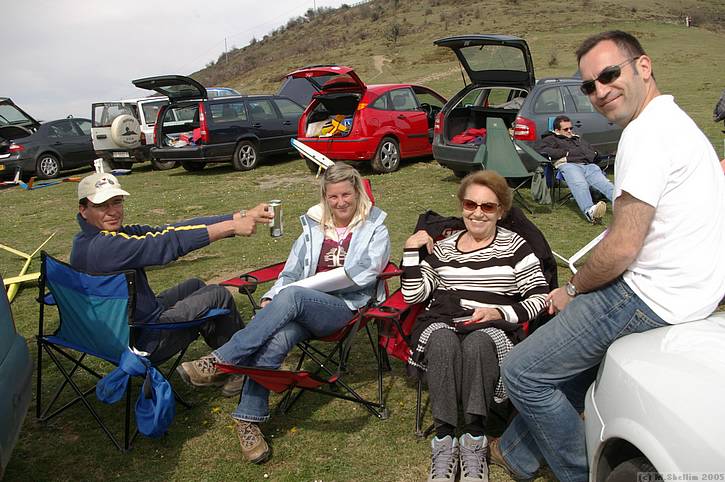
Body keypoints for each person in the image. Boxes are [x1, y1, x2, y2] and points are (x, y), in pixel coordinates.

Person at [489, 31, 725, 481]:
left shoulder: (645, 133)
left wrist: (571, 288)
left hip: (649, 295)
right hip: (694, 292)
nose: (599, 91)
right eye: (589, 86)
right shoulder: (676, 120)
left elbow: (620, 248)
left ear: (643, 66)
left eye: (608, 75)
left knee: (521, 371)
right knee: (571, 366)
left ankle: (578, 472)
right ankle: (517, 454)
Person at [176, 163, 391, 464]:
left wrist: (296, 294)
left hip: (344, 308)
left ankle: (222, 360)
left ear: (357, 193)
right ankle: (248, 419)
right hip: (299, 308)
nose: (341, 202)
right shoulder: (313, 229)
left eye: (346, 195)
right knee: (276, 340)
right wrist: (270, 298)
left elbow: (365, 273)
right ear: (324, 197)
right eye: (333, 197)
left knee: (293, 296)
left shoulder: (374, 229)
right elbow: (290, 273)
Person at [402, 171, 548, 482]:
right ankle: (443, 441)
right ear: (462, 205)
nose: (478, 212)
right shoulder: (445, 247)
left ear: (501, 211)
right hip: (444, 321)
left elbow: (539, 297)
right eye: (471, 204)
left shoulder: (515, 247)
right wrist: (411, 251)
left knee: (478, 343)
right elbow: (414, 294)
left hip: (494, 326)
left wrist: (499, 311)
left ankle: (473, 439)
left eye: (488, 206)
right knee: (441, 341)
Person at [71, 172, 273, 397]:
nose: (112, 211)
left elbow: (170, 230)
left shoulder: (86, 240)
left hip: (117, 332)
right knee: (218, 295)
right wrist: (231, 228)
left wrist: (242, 215)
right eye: (102, 205)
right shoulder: (107, 248)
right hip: (144, 340)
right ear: (83, 210)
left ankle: (227, 362)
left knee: (195, 285)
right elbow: (167, 244)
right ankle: (243, 367)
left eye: (116, 202)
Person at [535, 115, 614, 223]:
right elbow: (541, 150)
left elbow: (593, 151)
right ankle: (590, 212)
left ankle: (625, 207)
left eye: (571, 128)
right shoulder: (551, 139)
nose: (569, 131)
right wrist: (566, 153)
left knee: (606, 185)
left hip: (588, 165)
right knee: (580, 184)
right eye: (566, 129)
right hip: (569, 165)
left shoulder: (577, 139)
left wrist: (595, 154)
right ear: (557, 130)